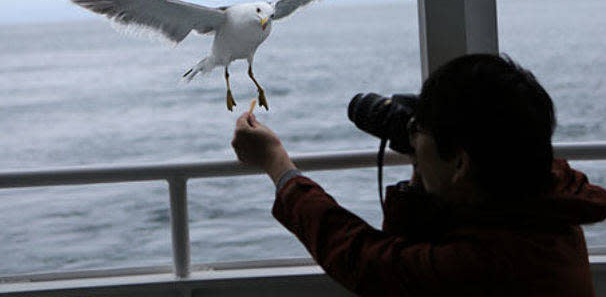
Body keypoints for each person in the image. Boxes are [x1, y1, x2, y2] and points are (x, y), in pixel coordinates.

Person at [231, 54, 606, 296]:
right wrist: (424, 162)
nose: (412, 137)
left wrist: (276, 163)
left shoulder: (483, 264)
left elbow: (365, 259)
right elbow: (416, 250)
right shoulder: (543, 199)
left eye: (418, 132)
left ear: (460, 164)